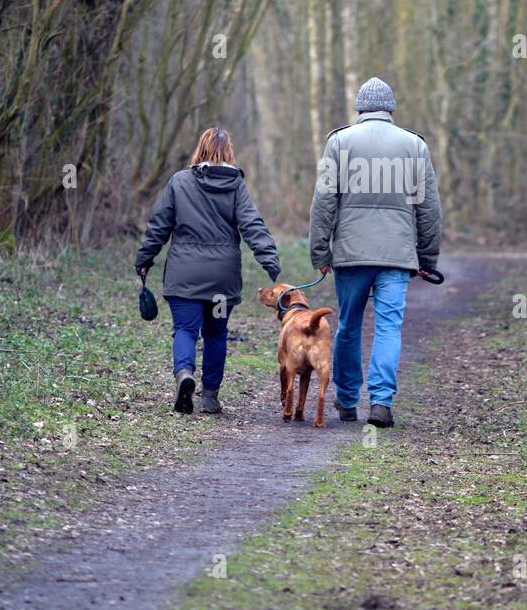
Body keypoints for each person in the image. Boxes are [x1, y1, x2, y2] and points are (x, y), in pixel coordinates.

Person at [309, 77, 442, 428]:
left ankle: (349, 400)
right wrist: (427, 258)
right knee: (388, 328)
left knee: (349, 326)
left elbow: (324, 202)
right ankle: (381, 403)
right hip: (396, 255)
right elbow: (428, 208)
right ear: (391, 110)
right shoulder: (414, 145)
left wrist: (320, 252)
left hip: (352, 253)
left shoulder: (339, 142)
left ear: (359, 109)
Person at [135, 127, 280, 414]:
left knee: (186, 331)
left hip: (184, 276)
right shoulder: (236, 185)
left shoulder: (179, 181)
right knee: (215, 334)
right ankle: (210, 396)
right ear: (229, 153)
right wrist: (269, 259)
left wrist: (144, 258)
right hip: (220, 283)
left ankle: (184, 374)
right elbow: (252, 224)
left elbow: (159, 225)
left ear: (199, 149)